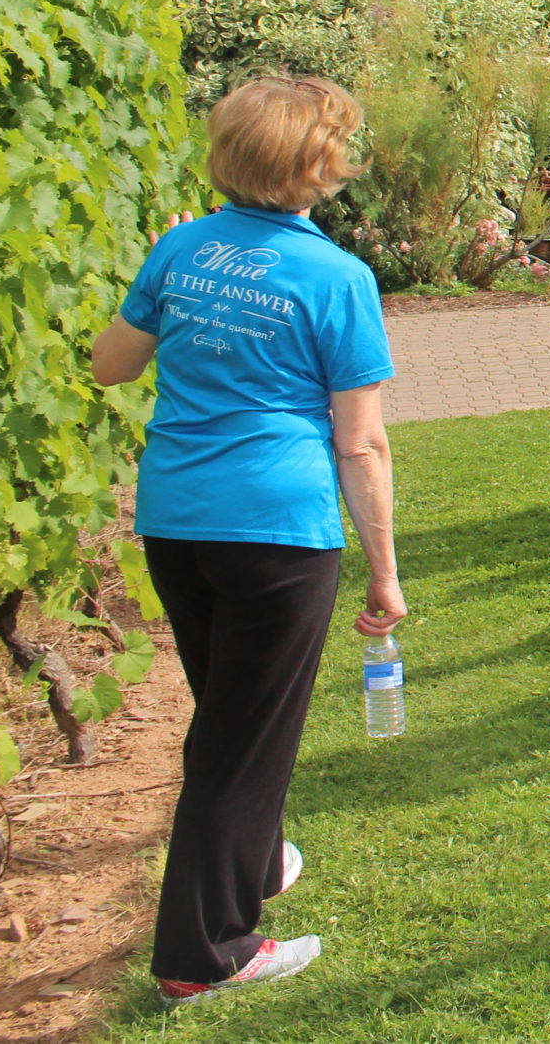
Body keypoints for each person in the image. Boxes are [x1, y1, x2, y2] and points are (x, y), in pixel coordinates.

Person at [89, 77, 404, 1005]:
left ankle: (258, 860)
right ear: (317, 166)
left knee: (230, 716)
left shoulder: (181, 248)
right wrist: (384, 573)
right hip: (275, 529)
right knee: (238, 739)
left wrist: (175, 274)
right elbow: (362, 440)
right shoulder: (338, 277)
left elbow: (110, 364)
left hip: (176, 522)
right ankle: (208, 951)